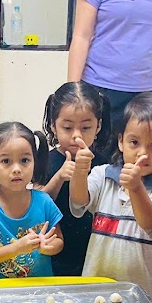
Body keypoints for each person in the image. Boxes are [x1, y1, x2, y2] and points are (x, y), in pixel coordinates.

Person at [69, 91, 152, 303]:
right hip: (95, 290)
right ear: (121, 141)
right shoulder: (103, 174)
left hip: (142, 295)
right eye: (134, 142)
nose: (142, 153)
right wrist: (80, 172)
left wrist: (136, 188)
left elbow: (150, 224)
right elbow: (79, 201)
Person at [68, 0, 152, 130]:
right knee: (99, 144)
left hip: (147, 93)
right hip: (101, 87)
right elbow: (81, 37)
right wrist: (72, 93)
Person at [0, 122, 64, 278]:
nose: (16, 169)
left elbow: (59, 240)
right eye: (6, 161)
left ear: (34, 162)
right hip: (1, 290)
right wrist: (17, 248)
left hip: (42, 288)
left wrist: (47, 247)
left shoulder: (44, 202)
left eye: (25, 160)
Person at [41, 81, 112, 277]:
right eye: (67, 127)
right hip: (52, 254)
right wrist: (59, 177)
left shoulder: (104, 165)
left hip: (92, 254)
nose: (76, 135)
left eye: (86, 127)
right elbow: (35, 206)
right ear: (53, 125)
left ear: (98, 126)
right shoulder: (44, 161)